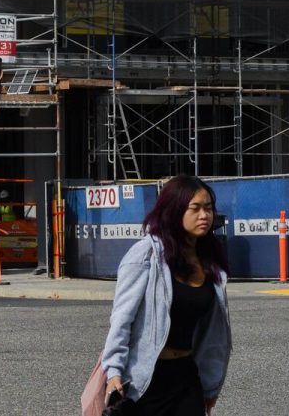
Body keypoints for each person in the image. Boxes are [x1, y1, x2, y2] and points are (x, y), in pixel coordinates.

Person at [101, 176, 231, 415]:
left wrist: (210, 387)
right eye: (196, 208)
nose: (204, 215)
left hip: (186, 376)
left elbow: (213, 337)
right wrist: (114, 372)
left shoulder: (211, 263)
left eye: (208, 208)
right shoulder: (146, 255)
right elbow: (121, 319)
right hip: (144, 380)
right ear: (174, 210)